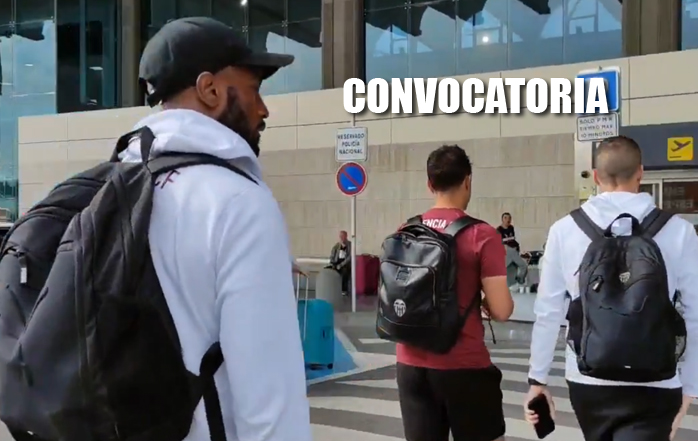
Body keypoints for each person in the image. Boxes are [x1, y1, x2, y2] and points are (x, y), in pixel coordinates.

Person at [123, 17, 312, 441]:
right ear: (209, 89)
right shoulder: (237, 202)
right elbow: (270, 406)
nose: (263, 109)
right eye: (254, 89)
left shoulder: (116, 183)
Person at [525, 135, 697, 441]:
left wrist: (537, 380)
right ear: (641, 172)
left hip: (589, 379)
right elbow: (695, 313)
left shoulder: (565, 230)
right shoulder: (680, 231)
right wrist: (691, 388)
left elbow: (548, 312)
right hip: (658, 381)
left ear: (595, 176)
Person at [396, 145, 514, 441]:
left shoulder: (406, 230)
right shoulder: (481, 235)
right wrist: (482, 300)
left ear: (429, 184)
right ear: (467, 181)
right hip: (464, 365)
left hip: (410, 365)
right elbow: (502, 310)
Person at [329, 230, 351, 295]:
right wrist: (332, 262)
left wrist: (341, 265)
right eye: (340, 236)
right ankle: (332, 288)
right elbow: (332, 254)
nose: (341, 237)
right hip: (337, 262)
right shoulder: (337, 245)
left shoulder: (350, 245)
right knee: (330, 270)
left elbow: (349, 257)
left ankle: (344, 290)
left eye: (342, 236)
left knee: (345, 272)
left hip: (345, 264)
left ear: (346, 236)